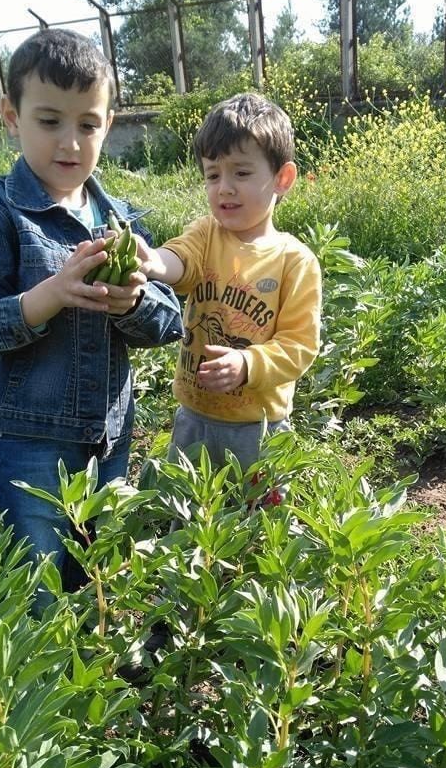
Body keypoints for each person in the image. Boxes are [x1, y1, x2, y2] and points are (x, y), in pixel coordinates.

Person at [0, 28, 183, 606]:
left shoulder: (121, 220)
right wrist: (51, 294)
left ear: (108, 124)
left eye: (88, 125)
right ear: (11, 116)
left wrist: (133, 302)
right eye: (49, 121)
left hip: (110, 436)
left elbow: (169, 318)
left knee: (100, 582)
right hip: (30, 442)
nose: (70, 143)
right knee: (41, 586)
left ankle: (93, 657)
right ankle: (47, 661)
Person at [137, 92, 322, 483]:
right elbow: (180, 258)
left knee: (255, 515)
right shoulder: (206, 234)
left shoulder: (295, 261)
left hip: (259, 428)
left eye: (241, 173)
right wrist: (153, 261)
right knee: (184, 508)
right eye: (213, 174)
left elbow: (299, 346)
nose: (224, 187)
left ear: (282, 179)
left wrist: (247, 364)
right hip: (193, 419)